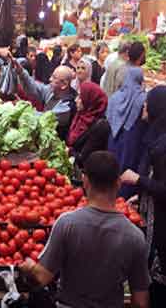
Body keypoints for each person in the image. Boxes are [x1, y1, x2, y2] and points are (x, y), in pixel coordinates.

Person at [19, 151, 150, 308]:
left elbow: (42, 278)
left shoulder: (67, 224)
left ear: (85, 181)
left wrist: (28, 267)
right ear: (118, 183)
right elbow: (141, 302)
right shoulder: (134, 236)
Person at [119, 86, 166, 307]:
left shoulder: (163, 146)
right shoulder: (156, 137)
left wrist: (139, 181)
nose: (144, 106)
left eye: (148, 102)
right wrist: (143, 196)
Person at [107, 66, 147, 197]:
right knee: (128, 172)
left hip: (114, 138)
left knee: (113, 169)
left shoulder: (115, 96)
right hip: (133, 140)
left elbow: (108, 116)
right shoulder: (142, 98)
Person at [14, 63, 77, 140]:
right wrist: (21, 72)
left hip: (55, 141)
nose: (50, 79)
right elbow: (35, 88)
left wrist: (22, 109)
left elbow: (44, 117)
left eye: (54, 77)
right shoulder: (51, 90)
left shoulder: (67, 106)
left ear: (64, 85)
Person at [67, 82, 110, 169]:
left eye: (80, 97)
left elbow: (86, 158)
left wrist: (69, 152)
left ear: (90, 99)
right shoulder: (80, 116)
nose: (76, 100)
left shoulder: (100, 126)